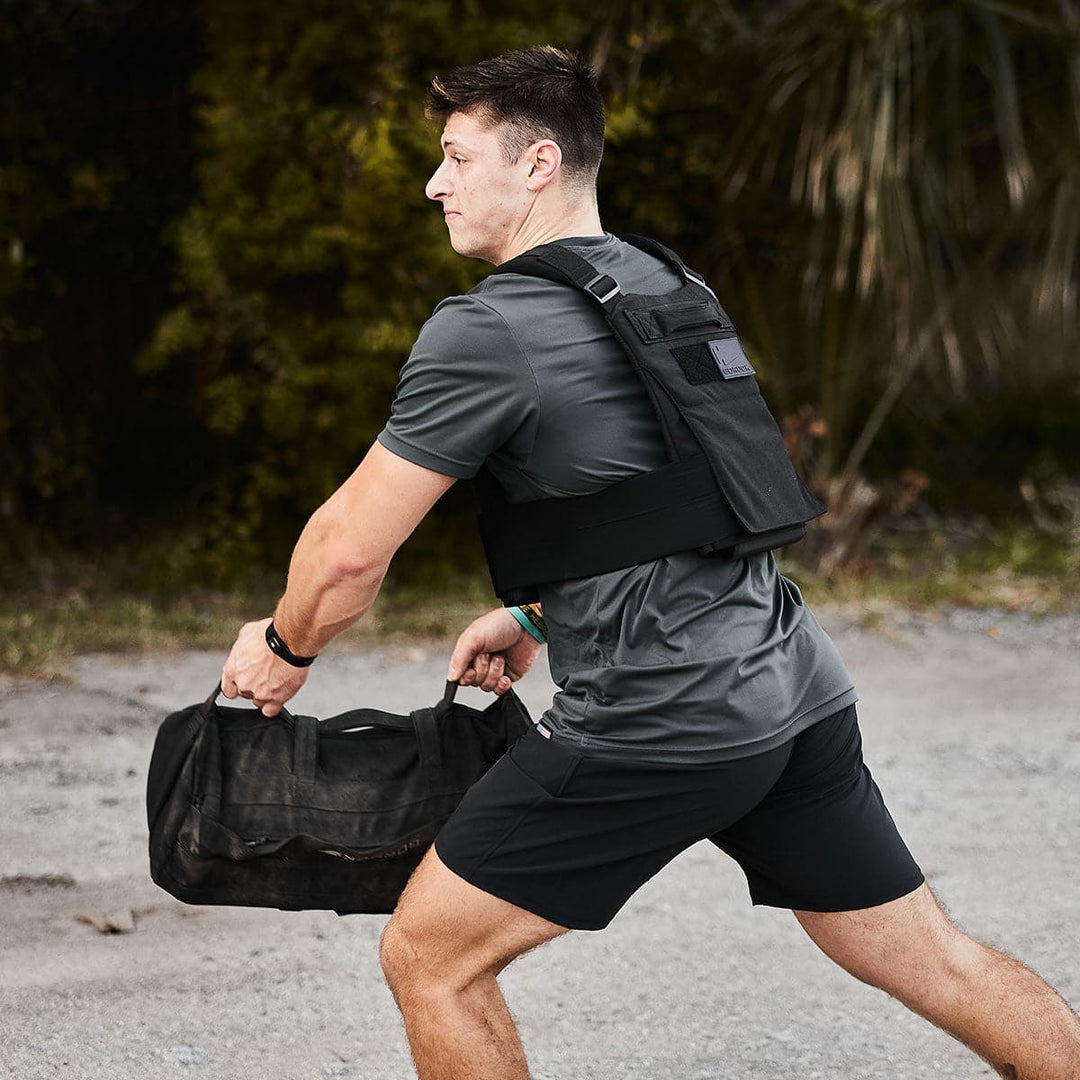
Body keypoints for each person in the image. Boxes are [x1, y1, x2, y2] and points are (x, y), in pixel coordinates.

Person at [221, 45, 1080, 1080]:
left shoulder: (487, 329)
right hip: (792, 691)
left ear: (538, 164)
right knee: (932, 956)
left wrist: (285, 647)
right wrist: (536, 617)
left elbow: (349, 553)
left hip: (662, 717)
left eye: (456, 157)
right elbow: (688, 495)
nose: (435, 184)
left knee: (431, 958)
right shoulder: (666, 281)